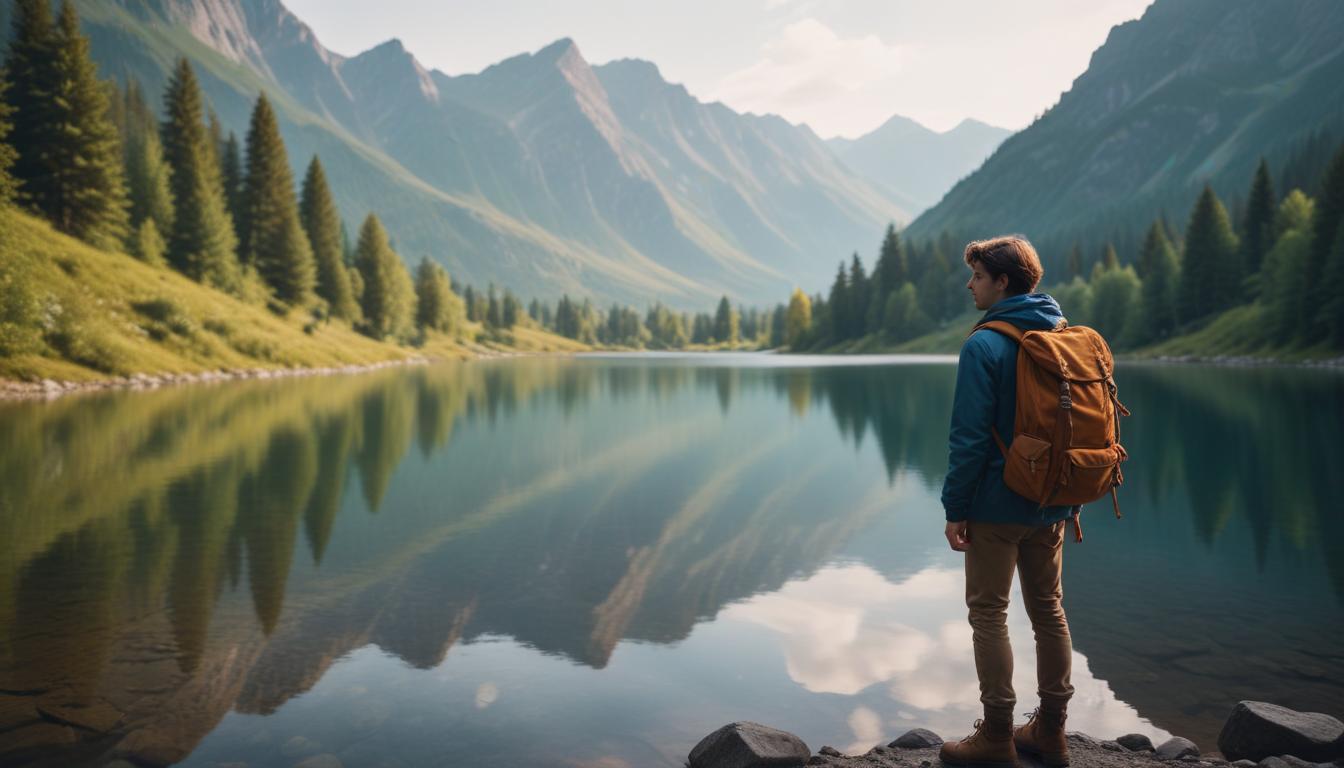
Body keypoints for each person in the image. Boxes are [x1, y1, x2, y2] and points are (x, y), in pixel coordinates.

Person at [938, 236, 1074, 768]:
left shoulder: (984, 344)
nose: (969, 284)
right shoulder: (1062, 332)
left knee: (989, 614)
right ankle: (1052, 731)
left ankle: (996, 736)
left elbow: (968, 439)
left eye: (976, 275)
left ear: (1002, 282)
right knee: (1049, 611)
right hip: (1054, 501)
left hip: (997, 505)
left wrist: (955, 509)